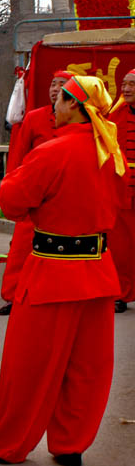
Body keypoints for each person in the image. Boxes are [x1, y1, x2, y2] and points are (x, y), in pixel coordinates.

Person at [0, 75, 126, 466]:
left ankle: (4, 443)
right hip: (98, 270)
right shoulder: (109, 150)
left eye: (61, 100)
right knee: (87, 367)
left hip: (53, 270)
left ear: (75, 106)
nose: (54, 106)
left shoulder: (52, 151)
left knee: (27, 367)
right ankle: (70, 445)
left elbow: (12, 202)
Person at [0, 70, 73, 316]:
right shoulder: (34, 117)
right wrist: (13, 186)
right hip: (33, 190)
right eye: (52, 84)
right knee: (21, 245)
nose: (55, 89)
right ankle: (12, 295)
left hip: (63, 195)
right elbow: (19, 153)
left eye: (61, 85)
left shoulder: (77, 118)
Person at [106, 68, 135, 313]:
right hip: (124, 190)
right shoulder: (115, 116)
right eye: (124, 84)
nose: (126, 89)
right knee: (122, 248)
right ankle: (122, 294)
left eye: (131, 85)